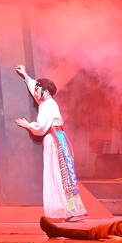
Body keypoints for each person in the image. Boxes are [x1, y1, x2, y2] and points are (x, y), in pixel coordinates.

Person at [14, 65, 87, 222]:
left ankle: (67, 212)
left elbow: (40, 128)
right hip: (58, 138)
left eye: (38, 89)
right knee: (62, 174)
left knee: (57, 174)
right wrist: (25, 75)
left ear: (46, 91)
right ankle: (69, 211)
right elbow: (34, 87)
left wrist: (28, 125)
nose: (35, 92)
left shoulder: (47, 105)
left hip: (53, 139)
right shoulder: (48, 102)